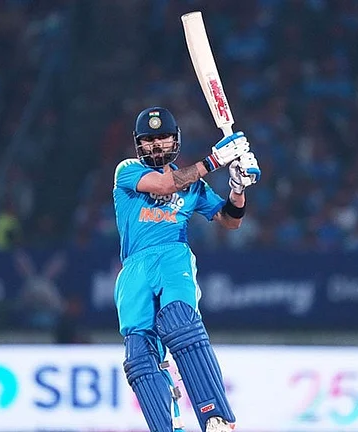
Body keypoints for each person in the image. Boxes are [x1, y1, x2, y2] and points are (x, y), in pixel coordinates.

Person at [112, 106, 260, 432]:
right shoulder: (127, 170)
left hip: (172, 256)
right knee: (139, 355)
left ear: (175, 139)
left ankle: (215, 417)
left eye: (162, 137)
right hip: (134, 267)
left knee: (179, 321)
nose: (156, 145)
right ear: (138, 144)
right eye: (149, 140)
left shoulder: (194, 187)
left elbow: (229, 222)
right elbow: (164, 186)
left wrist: (237, 188)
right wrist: (213, 162)